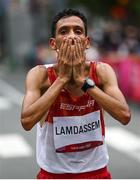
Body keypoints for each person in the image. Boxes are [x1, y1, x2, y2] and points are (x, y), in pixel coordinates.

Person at [21, 9, 131, 179]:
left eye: (78, 31)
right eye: (63, 31)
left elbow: (124, 115)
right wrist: (62, 79)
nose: (71, 36)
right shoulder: (39, 75)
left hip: (97, 172)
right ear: (53, 43)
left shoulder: (101, 71)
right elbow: (27, 121)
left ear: (87, 42)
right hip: (54, 174)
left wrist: (83, 81)